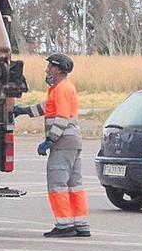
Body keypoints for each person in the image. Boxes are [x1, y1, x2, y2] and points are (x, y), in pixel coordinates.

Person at [12, 53, 90, 238]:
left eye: (49, 67)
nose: (47, 70)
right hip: (73, 143)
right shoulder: (63, 88)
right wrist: (24, 111)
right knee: (74, 185)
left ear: (58, 69)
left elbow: (62, 117)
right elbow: (46, 107)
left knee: (57, 184)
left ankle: (64, 225)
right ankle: (81, 224)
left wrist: (50, 141)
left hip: (63, 143)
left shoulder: (62, 89)